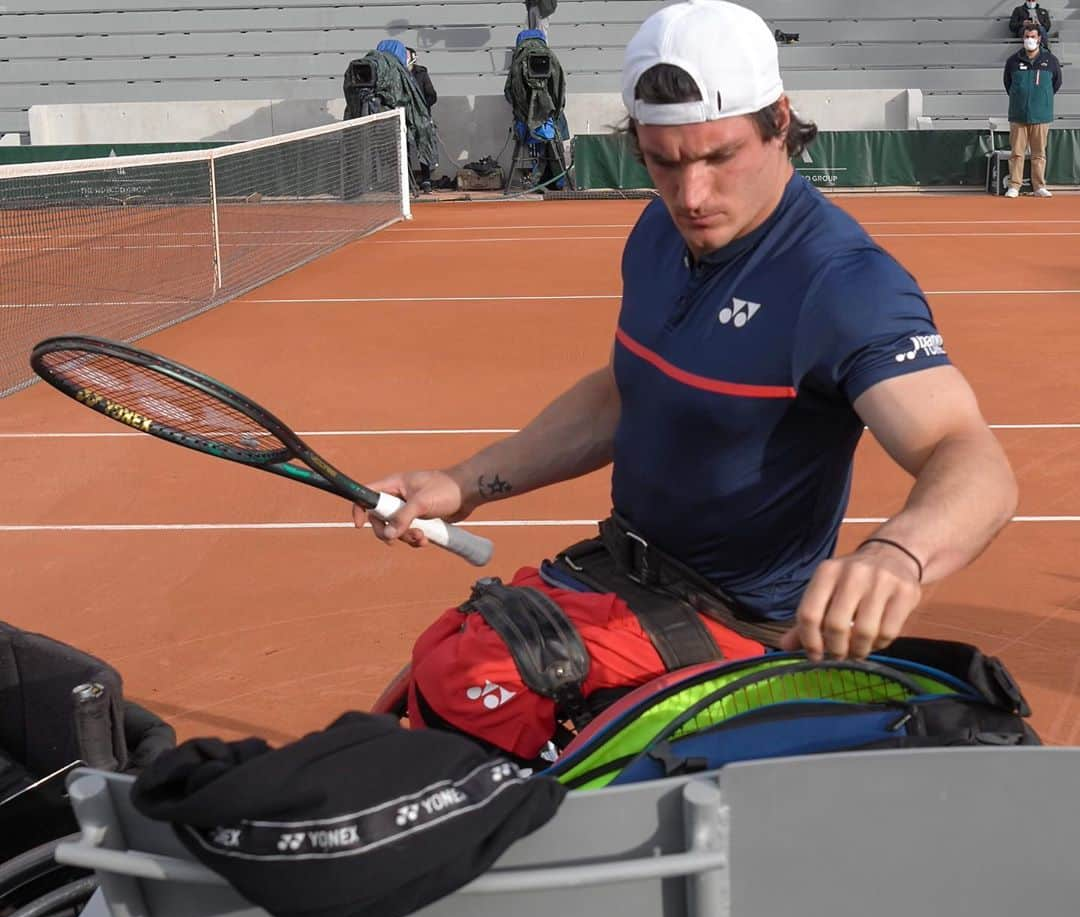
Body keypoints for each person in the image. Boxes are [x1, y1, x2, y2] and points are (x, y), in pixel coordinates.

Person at [356, 0, 1017, 665]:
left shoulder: (842, 283)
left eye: (718, 157)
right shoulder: (657, 232)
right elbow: (628, 390)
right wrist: (466, 482)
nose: (691, 195)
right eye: (663, 163)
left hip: (738, 627)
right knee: (439, 674)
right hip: (622, 573)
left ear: (779, 121)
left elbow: (968, 457)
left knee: (474, 689)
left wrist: (898, 555)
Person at [1003, 21, 1062, 198]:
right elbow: (1008, 84)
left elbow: (1056, 83)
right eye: (1027, 37)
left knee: (1038, 154)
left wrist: (1042, 99)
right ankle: (1014, 185)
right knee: (1017, 153)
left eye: (1033, 37)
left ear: (1039, 39)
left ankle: (1039, 186)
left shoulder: (1050, 60)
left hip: (1041, 114)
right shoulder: (1013, 61)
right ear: (1023, 38)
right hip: (1018, 114)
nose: (1029, 39)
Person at [406, 47, 438, 192]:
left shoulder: (421, 73)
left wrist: (422, 108)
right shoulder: (398, 74)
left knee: (423, 146)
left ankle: (426, 180)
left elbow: (432, 95)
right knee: (403, 148)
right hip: (404, 117)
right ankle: (406, 180)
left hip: (421, 117)